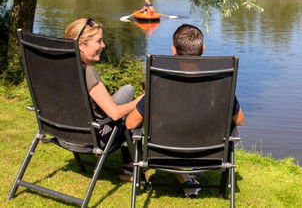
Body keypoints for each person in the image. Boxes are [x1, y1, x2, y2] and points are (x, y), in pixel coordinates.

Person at [126, 24, 245, 197]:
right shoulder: (220, 81)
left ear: (173, 50)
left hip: (164, 153)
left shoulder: (159, 80)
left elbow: (130, 123)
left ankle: (180, 176)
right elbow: (240, 120)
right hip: (210, 154)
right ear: (203, 49)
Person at [64, 18, 141, 179]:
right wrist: (140, 102)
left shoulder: (60, 66)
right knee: (133, 108)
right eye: (98, 41)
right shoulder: (87, 71)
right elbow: (114, 114)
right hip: (94, 136)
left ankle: (128, 167)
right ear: (81, 45)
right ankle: (128, 168)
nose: (103, 45)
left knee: (128, 89)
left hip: (64, 132)